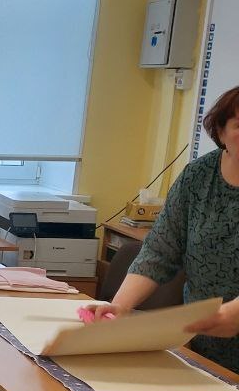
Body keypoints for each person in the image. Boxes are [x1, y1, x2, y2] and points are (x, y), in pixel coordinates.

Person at [87, 85, 239, 371]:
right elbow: (160, 250)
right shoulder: (198, 177)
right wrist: (119, 307)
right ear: (221, 132)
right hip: (202, 346)